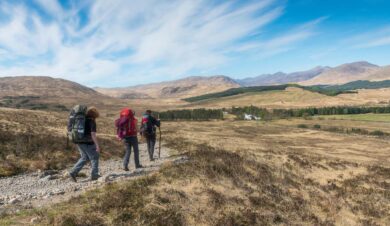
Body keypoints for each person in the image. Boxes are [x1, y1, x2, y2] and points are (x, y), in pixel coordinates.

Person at [68, 106, 100, 182]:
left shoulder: (82, 120)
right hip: (88, 143)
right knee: (94, 157)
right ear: (95, 115)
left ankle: (73, 173)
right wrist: (97, 145)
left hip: (78, 141)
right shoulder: (92, 121)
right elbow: (93, 134)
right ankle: (94, 175)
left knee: (84, 158)